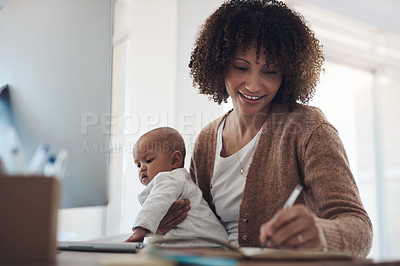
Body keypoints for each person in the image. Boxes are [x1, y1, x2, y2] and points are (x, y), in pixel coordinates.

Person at [159, 0, 372, 258]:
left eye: (269, 71)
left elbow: (359, 227)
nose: (254, 85)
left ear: (286, 74)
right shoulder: (206, 140)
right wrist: (168, 222)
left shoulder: (307, 128)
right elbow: (200, 225)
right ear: (219, 64)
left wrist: (322, 234)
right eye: (241, 68)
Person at [125, 127, 228, 246]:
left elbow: (156, 202)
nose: (142, 168)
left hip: (205, 243)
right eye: (138, 165)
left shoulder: (171, 178)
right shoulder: (176, 181)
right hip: (205, 243)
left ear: (175, 160)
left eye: (148, 160)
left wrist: (140, 230)